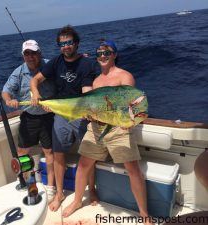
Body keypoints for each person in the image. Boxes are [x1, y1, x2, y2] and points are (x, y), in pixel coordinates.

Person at [62, 39, 154, 225]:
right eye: (99, 53)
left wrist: (129, 122)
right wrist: (88, 114)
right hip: (96, 129)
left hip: (119, 129)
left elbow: (133, 103)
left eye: (107, 52)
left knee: (133, 170)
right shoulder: (96, 81)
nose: (102, 56)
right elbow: (93, 107)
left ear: (114, 55)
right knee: (83, 165)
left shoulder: (124, 76)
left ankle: (144, 214)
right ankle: (77, 201)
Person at [30, 25, 97, 211]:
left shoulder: (88, 64)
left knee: (89, 155)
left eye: (69, 42)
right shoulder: (55, 62)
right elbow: (34, 80)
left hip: (82, 115)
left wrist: (88, 107)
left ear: (76, 43)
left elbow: (87, 91)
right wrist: (36, 95)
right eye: (62, 43)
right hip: (60, 114)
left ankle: (91, 190)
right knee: (58, 154)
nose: (66, 46)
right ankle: (59, 194)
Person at [2, 40, 56, 198]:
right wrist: (8, 100)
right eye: (27, 54)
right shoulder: (18, 72)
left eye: (33, 53)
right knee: (22, 151)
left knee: (49, 151)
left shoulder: (49, 65)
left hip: (49, 116)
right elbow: (6, 91)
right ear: (23, 56)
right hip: (29, 117)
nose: (30, 57)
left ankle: (51, 186)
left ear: (39, 53)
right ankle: (27, 180)